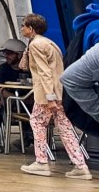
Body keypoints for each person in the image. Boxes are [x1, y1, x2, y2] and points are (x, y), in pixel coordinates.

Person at [17, 14, 91, 179]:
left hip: (46, 93)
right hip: (59, 91)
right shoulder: (48, 43)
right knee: (64, 127)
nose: (22, 28)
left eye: (24, 25)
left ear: (31, 28)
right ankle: (80, 164)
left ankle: (42, 161)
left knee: (36, 122)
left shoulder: (36, 45)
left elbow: (44, 72)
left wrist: (49, 97)